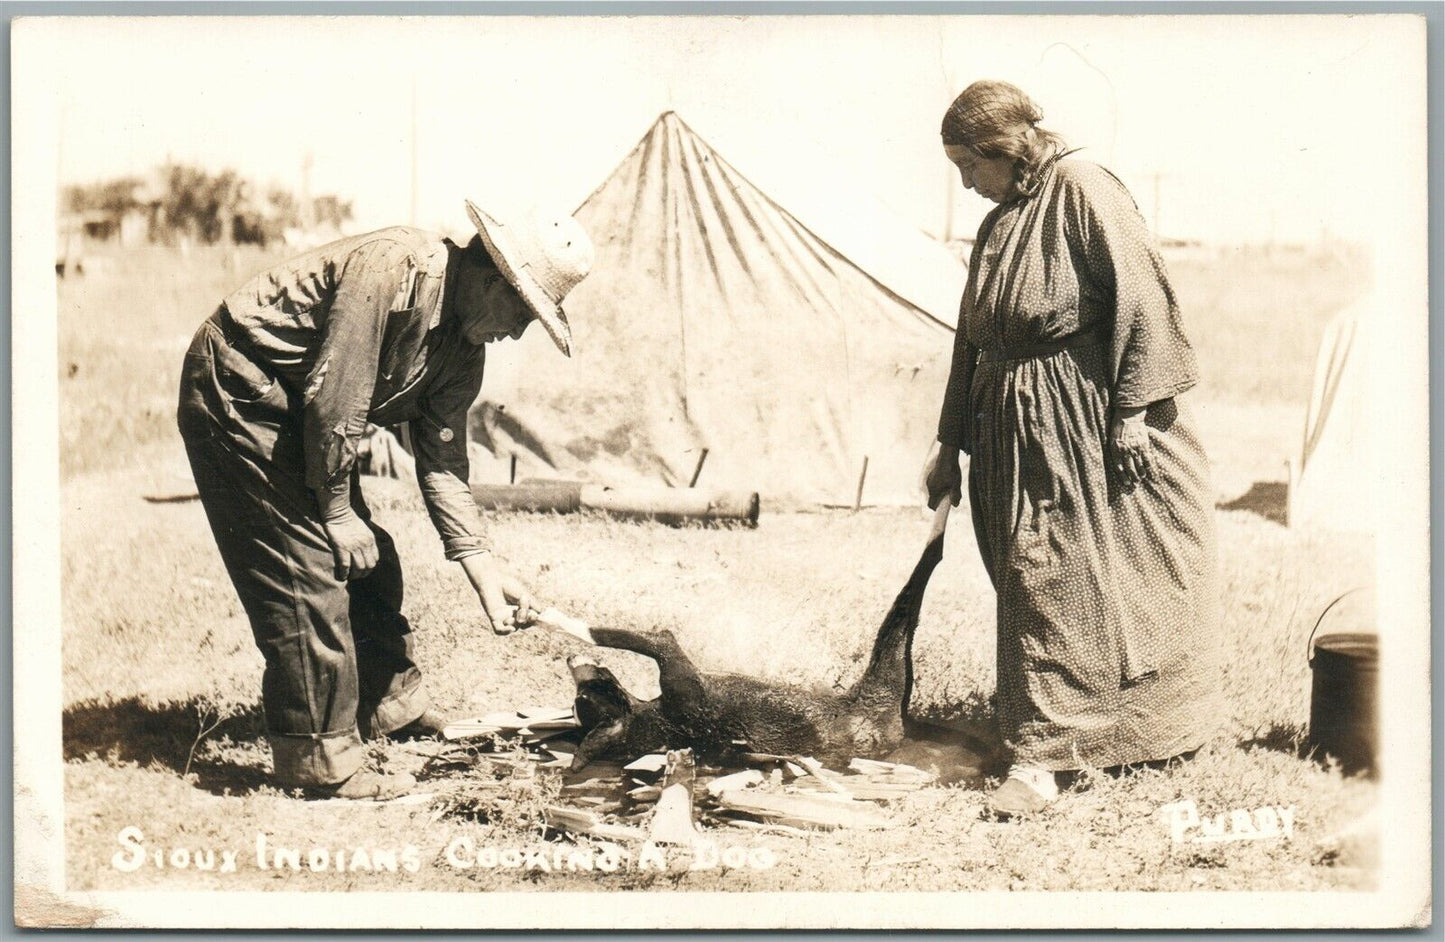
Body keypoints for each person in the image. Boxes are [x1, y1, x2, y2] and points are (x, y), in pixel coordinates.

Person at [177, 201, 594, 799]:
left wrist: (483, 565)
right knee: (310, 570)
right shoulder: (395, 267)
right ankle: (321, 763)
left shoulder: (464, 351)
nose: (519, 332)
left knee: (375, 560)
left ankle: (389, 708)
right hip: (239, 383)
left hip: (306, 410)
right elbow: (336, 397)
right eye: (522, 310)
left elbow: (444, 460)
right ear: (490, 275)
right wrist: (339, 513)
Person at [924, 81, 1220, 817]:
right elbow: (971, 340)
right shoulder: (999, 225)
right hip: (1009, 428)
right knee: (1033, 577)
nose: (966, 184)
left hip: (1082, 423)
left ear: (1008, 148)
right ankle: (1076, 731)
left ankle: (1044, 760)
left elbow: (1144, 299)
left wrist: (1132, 413)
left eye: (969, 165)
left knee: (1052, 577)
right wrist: (948, 442)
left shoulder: (1082, 188)